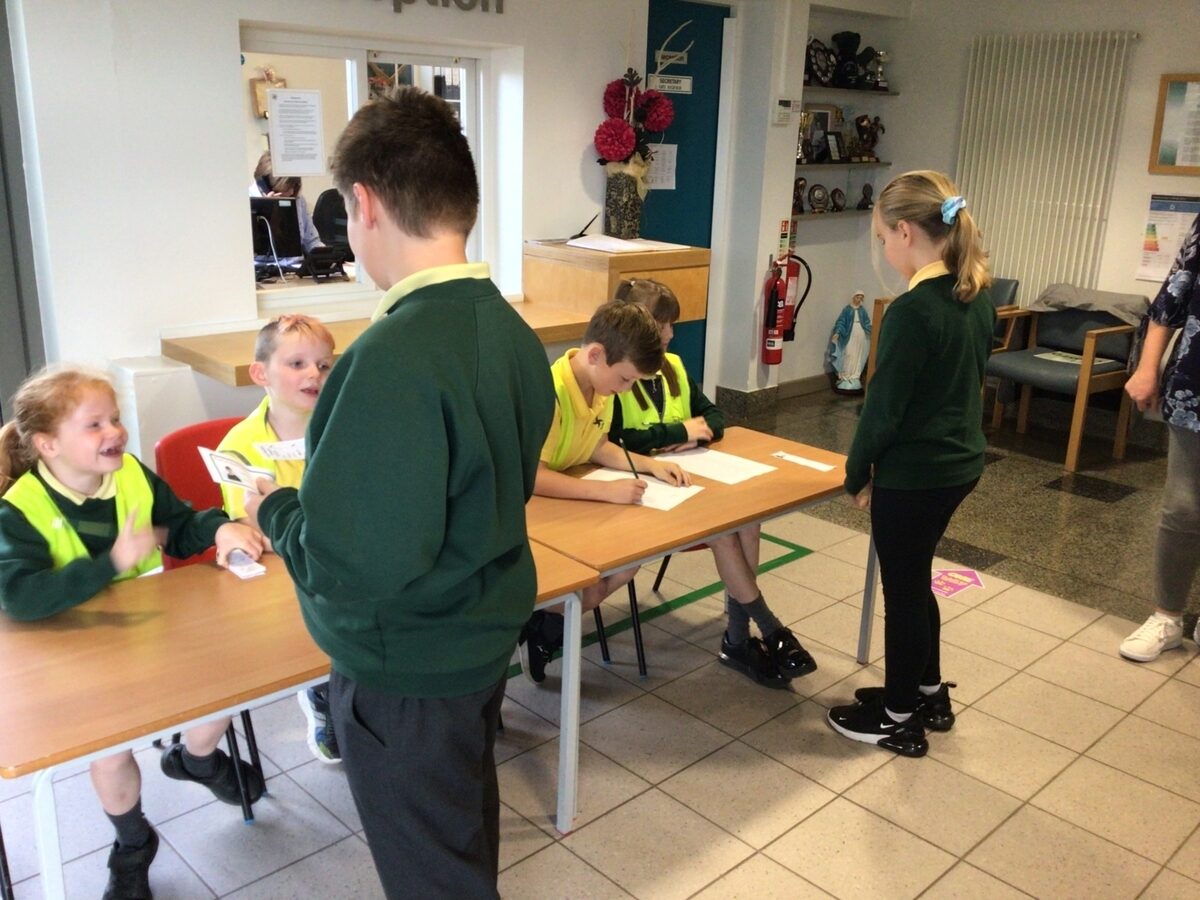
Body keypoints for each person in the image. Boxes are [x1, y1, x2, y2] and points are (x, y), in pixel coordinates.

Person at [243, 86, 554, 899]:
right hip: (477, 639)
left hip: (405, 669)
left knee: (433, 879)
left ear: (366, 204)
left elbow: (352, 564)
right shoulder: (512, 333)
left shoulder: (388, 357)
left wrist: (272, 508)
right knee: (459, 846)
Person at [0, 368, 265, 900]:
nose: (115, 432)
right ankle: (133, 842)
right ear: (48, 444)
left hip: (151, 633)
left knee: (233, 675)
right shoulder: (18, 508)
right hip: (76, 654)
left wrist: (220, 528)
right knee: (111, 754)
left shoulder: (131, 475)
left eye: (115, 419)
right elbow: (19, 596)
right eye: (94, 424)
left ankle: (195, 760)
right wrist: (112, 561)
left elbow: (179, 525)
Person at [826, 171, 995, 758]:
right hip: (959, 463)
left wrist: (856, 473)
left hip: (917, 474)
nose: (883, 250)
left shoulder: (911, 310)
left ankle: (897, 718)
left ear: (905, 232)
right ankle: (928, 692)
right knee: (916, 579)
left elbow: (883, 410)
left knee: (902, 594)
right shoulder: (975, 296)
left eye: (881, 238)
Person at [609, 278, 817, 688]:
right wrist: (678, 431)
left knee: (748, 521)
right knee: (723, 532)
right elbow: (617, 440)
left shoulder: (674, 367)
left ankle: (737, 640)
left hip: (686, 479)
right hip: (640, 490)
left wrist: (691, 435)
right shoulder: (618, 376)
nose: (670, 334)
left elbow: (715, 418)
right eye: (663, 325)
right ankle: (768, 629)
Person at [518, 299, 692, 684]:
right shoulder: (549, 393)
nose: (626, 389)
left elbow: (597, 445)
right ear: (595, 355)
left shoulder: (601, 388)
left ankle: (543, 626)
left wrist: (649, 464)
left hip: (572, 505)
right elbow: (533, 477)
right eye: (625, 379)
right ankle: (537, 622)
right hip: (535, 513)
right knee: (589, 589)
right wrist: (605, 491)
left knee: (630, 558)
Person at [216, 314, 339, 762]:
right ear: (260, 373)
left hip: (338, 561)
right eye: (297, 364)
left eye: (324, 365)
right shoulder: (240, 446)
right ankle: (322, 695)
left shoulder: (343, 425)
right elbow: (251, 528)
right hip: (282, 572)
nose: (314, 375)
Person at [1118, 211, 1200, 662]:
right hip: (1195, 385)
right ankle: (1167, 617)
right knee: (1183, 506)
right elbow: (1172, 296)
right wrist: (1148, 367)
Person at [251, 150, 323, 253]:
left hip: (297, 262)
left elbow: (311, 241)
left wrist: (325, 256)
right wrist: (269, 211)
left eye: (294, 185)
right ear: (265, 186)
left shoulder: (298, 200)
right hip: (262, 263)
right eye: (287, 187)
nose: (292, 192)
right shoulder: (247, 203)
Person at [829, 289, 872, 393]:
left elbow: (867, 322)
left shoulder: (862, 310)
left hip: (860, 334)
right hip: (849, 335)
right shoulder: (847, 310)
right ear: (853, 297)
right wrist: (837, 332)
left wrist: (872, 330)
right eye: (858, 297)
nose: (859, 300)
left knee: (858, 355)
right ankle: (846, 376)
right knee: (848, 354)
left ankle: (855, 376)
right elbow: (841, 322)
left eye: (861, 298)